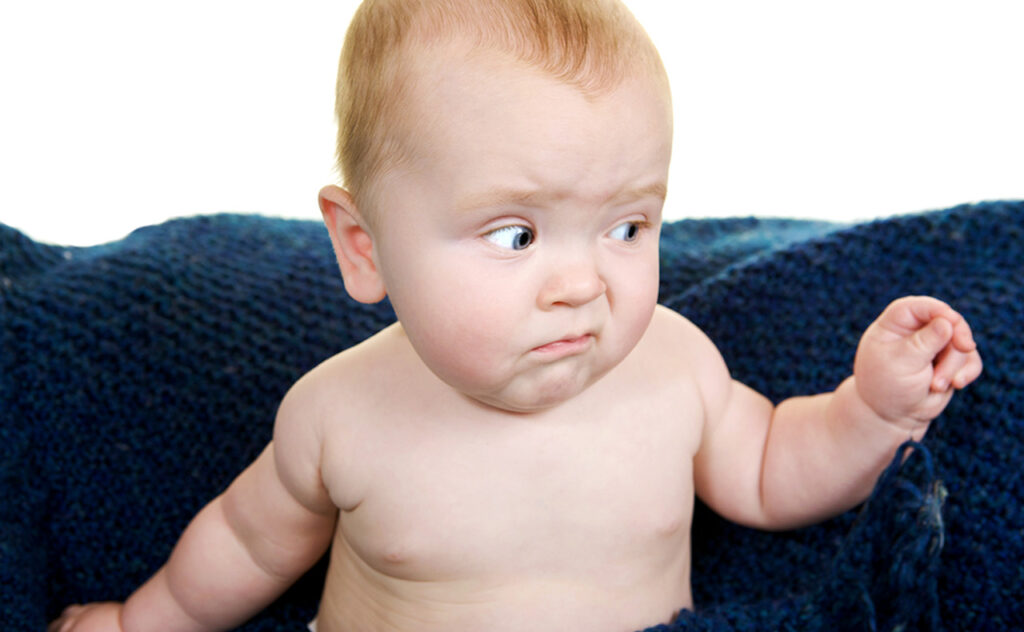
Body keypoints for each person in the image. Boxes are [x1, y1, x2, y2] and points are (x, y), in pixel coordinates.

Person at [50, 1, 983, 630]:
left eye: (626, 225)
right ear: (365, 245)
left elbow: (777, 468)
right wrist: (142, 619)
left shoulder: (673, 367)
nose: (582, 284)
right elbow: (246, 541)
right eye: (515, 237)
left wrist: (873, 411)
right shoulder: (340, 413)